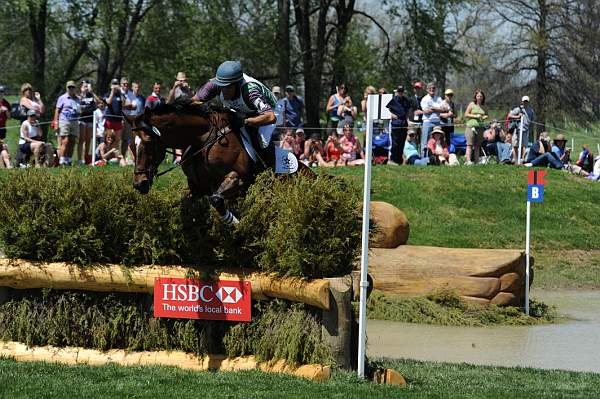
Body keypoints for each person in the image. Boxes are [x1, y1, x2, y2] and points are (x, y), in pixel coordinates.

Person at [193, 60, 278, 167]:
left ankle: (268, 169)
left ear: (237, 84)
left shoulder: (250, 91)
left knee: (261, 141)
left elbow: (271, 117)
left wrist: (246, 121)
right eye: (221, 86)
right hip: (241, 109)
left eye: (228, 87)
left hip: (266, 112)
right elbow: (194, 101)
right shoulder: (214, 84)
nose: (223, 91)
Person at [52, 80, 81, 166]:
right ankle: (61, 159)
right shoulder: (62, 98)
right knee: (65, 140)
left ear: (75, 88)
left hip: (75, 121)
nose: (71, 89)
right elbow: (57, 110)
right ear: (67, 88)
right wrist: (56, 122)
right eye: (69, 87)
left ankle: (68, 159)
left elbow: (80, 110)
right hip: (64, 121)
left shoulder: (78, 99)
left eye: (72, 87)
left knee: (72, 140)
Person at [420, 82, 447, 157]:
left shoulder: (438, 98)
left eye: (433, 88)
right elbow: (426, 111)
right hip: (427, 122)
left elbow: (444, 109)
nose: (432, 89)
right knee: (425, 141)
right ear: (427, 89)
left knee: (437, 141)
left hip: (437, 122)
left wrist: (433, 108)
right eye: (430, 88)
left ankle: (435, 158)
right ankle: (423, 158)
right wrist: (438, 109)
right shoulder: (424, 99)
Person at [386, 85, 411, 164]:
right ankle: (393, 159)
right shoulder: (393, 100)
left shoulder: (406, 100)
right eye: (399, 91)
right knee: (395, 143)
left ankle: (399, 160)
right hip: (396, 123)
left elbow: (407, 112)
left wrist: (408, 121)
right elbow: (386, 110)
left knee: (402, 142)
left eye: (402, 91)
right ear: (397, 91)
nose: (400, 93)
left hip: (403, 123)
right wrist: (392, 115)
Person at [464, 89, 487, 165]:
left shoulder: (484, 106)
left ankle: (476, 161)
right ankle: (468, 161)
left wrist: (484, 117)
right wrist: (475, 116)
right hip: (471, 127)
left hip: (480, 128)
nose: (480, 97)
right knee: (469, 144)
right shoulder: (471, 104)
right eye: (478, 96)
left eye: (481, 96)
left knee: (477, 145)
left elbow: (486, 115)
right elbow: (466, 114)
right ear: (475, 97)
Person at [508, 96, 535, 160]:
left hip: (526, 130)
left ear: (528, 102)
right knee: (515, 145)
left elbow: (532, 120)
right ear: (522, 102)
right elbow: (509, 116)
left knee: (524, 146)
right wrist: (517, 117)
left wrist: (530, 127)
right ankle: (516, 160)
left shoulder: (531, 110)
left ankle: (523, 160)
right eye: (524, 101)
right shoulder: (518, 109)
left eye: (526, 101)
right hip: (517, 129)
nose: (525, 102)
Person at [104, 78, 124, 159]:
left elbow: (124, 102)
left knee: (117, 139)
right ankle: (107, 156)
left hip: (118, 120)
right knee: (108, 138)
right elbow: (108, 102)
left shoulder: (120, 95)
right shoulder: (107, 94)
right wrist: (112, 92)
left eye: (116, 84)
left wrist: (121, 91)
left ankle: (115, 157)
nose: (115, 86)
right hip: (109, 119)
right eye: (113, 84)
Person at [78, 80, 96, 165]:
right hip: (82, 120)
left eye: (87, 86)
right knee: (82, 140)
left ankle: (86, 158)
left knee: (88, 140)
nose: (86, 88)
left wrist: (92, 92)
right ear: (81, 88)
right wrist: (82, 94)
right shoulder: (79, 96)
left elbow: (99, 102)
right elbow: (78, 106)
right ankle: (80, 159)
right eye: (84, 86)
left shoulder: (91, 96)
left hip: (90, 120)